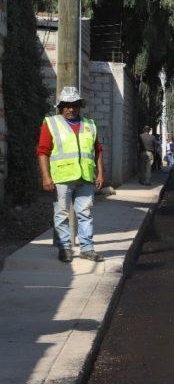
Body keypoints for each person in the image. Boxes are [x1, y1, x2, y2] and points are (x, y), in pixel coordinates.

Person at [36, 86, 105, 263]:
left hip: (86, 178)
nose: (71, 109)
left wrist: (100, 174)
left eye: (74, 105)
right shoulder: (51, 123)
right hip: (61, 178)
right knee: (61, 214)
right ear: (60, 107)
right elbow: (42, 152)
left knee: (85, 213)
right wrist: (46, 177)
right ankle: (65, 248)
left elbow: (97, 151)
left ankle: (87, 249)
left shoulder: (90, 124)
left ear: (80, 106)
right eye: (66, 105)